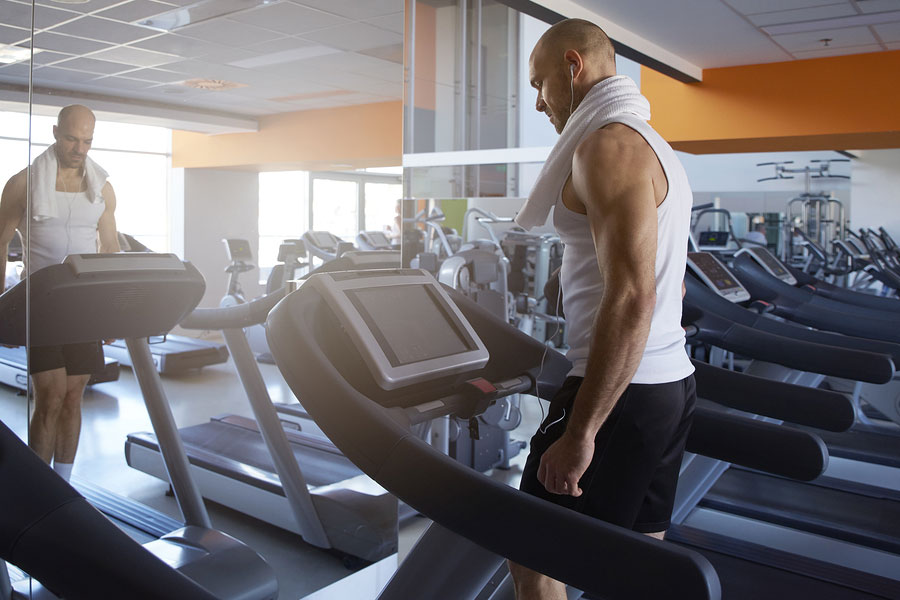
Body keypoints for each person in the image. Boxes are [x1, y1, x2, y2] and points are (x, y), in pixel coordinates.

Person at [510, 20, 697, 599]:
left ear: (574, 66)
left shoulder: (605, 145)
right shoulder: (652, 143)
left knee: (533, 554)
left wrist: (584, 428)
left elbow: (634, 294)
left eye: (540, 83)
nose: (539, 102)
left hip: (617, 388)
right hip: (667, 382)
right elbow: (674, 289)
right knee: (635, 556)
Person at [0, 104, 120, 481]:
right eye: (71, 138)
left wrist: (111, 310)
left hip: (83, 306)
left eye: (87, 141)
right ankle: (40, 490)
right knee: (49, 396)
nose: (79, 148)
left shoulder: (101, 187)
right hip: (43, 303)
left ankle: (64, 486)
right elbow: (0, 244)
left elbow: (111, 248)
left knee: (73, 396)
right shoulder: (23, 183)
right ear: (55, 132)